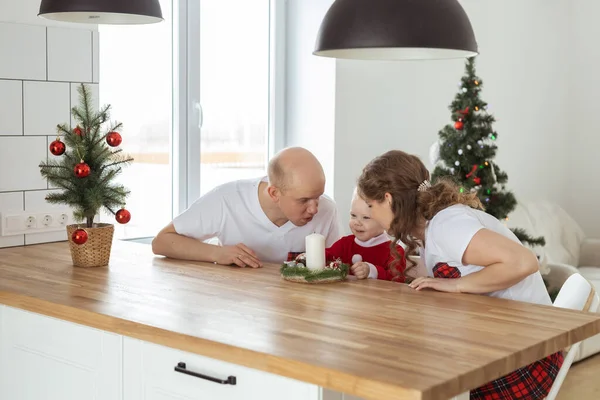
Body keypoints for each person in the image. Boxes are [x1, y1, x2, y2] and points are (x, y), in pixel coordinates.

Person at [356, 149, 561, 400]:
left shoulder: (447, 226)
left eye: (370, 205)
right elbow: (429, 270)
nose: (371, 214)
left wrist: (456, 286)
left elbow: (524, 262)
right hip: (510, 346)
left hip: (525, 360)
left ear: (388, 199)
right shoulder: (430, 227)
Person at [152, 147, 341, 267]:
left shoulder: (327, 210)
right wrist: (218, 253)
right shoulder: (226, 200)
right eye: (304, 200)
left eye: (318, 197)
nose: (314, 209)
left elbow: (339, 266)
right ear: (274, 193)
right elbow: (161, 242)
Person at [324, 189, 406, 281]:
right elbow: (326, 255)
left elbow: (397, 281)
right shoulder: (344, 244)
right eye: (353, 215)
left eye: (366, 217)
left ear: (384, 220)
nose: (357, 222)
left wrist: (372, 271)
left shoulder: (395, 251)